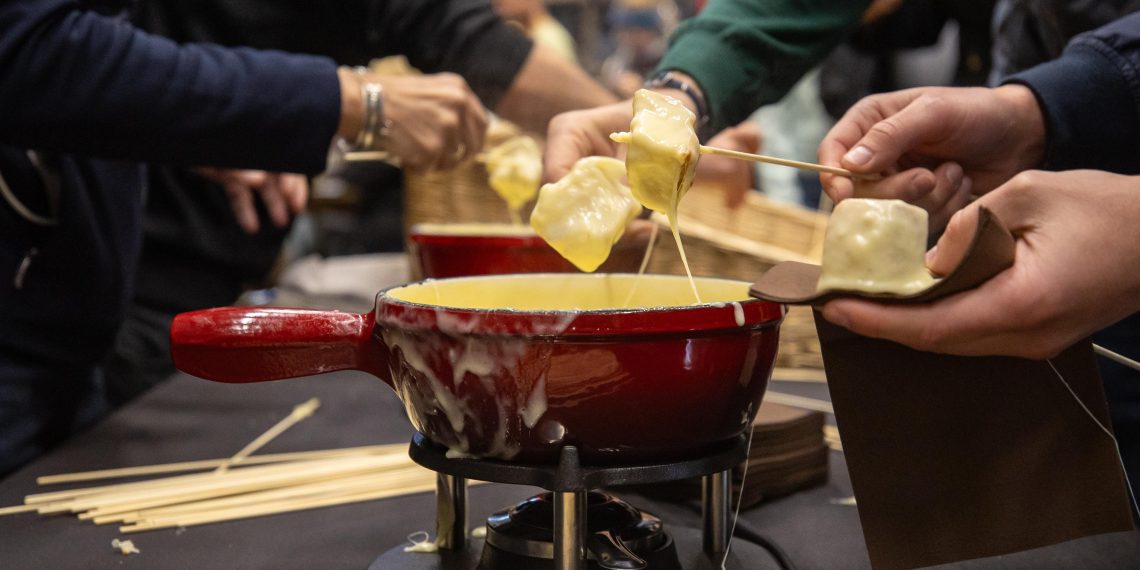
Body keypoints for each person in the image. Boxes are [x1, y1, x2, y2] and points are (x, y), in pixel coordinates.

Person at [0, 0, 491, 475]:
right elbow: (29, 51)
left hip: (65, 347)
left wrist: (196, 138)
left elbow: (83, 78)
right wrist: (344, 100)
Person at [98, 0, 622, 407]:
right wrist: (355, 101)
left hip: (190, 280)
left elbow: (459, 33)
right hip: (113, 278)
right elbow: (82, 64)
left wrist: (637, 127)